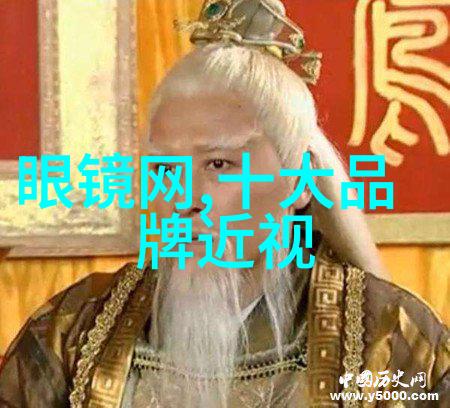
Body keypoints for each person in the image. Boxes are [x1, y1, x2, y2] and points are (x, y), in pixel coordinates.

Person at [0, 1, 448, 407]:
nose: (183, 199)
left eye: (218, 164)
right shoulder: (74, 331)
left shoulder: (389, 338)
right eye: (165, 168)